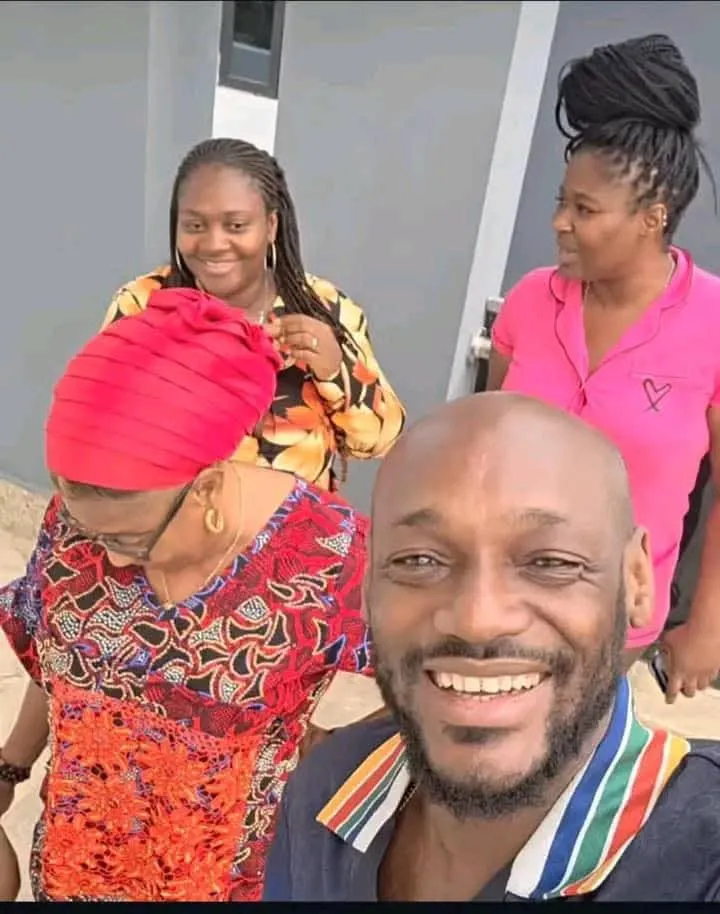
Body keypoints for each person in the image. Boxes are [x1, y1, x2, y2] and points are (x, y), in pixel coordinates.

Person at [263, 393, 720, 903]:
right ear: (369, 586)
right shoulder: (327, 791)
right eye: (419, 561)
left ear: (636, 581)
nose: (477, 620)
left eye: (551, 562)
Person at [0, 287, 376, 902]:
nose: (112, 559)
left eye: (130, 539)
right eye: (92, 533)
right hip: (71, 873)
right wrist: (10, 765)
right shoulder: (76, 526)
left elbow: (443, 680)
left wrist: (335, 757)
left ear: (206, 489)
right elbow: (54, 663)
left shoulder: (324, 553)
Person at [486, 34, 720, 697]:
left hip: (614, 622)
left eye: (584, 210)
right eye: (562, 202)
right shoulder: (532, 300)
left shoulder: (712, 320)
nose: (559, 223)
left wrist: (708, 625)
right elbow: (485, 440)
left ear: (652, 218)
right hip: (496, 598)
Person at [102, 137, 405, 491]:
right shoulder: (143, 303)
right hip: (176, 522)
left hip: (296, 523)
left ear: (271, 226)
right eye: (195, 226)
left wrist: (335, 370)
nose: (214, 244)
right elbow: (99, 427)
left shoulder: (323, 307)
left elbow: (380, 441)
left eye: (236, 226)